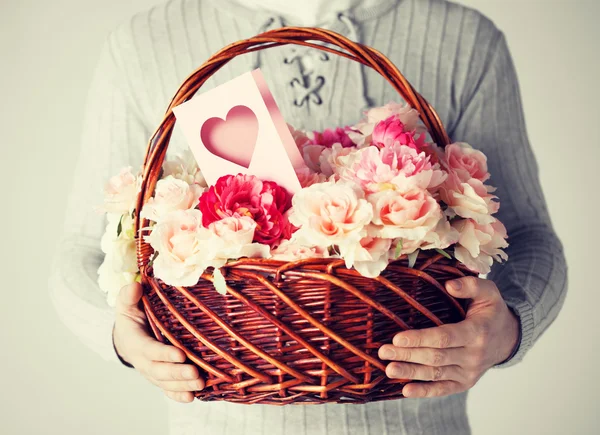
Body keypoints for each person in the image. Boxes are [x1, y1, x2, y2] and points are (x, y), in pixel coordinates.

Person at [48, 0, 568, 434]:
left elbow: (529, 235)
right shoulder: (144, 41)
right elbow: (81, 245)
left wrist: (508, 328)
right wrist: (119, 335)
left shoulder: (462, 38)